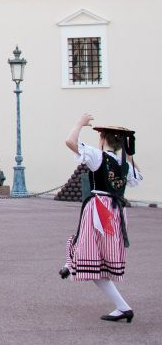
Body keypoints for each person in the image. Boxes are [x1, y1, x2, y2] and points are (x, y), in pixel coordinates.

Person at [60, 114, 142, 323]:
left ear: (102, 138)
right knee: (88, 248)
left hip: (99, 208)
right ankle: (71, 265)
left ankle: (72, 265)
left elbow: (70, 142)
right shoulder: (123, 163)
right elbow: (135, 179)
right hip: (115, 212)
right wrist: (129, 154)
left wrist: (79, 123)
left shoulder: (98, 157)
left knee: (92, 257)